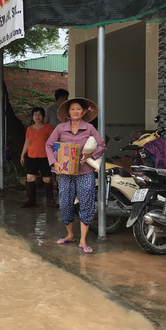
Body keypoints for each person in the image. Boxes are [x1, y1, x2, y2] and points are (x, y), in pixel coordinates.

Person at [45, 98, 106, 254]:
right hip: (65, 173)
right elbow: (49, 145)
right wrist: (54, 163)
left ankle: (83, 240)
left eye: (79, 109)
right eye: (73, 109)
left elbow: (102, 145)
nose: (76, 112)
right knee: (65, 203)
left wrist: (90, 156)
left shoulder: (90, 128)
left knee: (86, 203)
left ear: (84, 111)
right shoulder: (60, 128)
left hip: (85, 172)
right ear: (68, 112)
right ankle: (70, 235)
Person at [19, 107, 56, 208]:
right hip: (31, 157)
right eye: (35, 115)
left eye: (39, 115)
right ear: (32, 117)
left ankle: (50, 200)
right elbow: (27, 142)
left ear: (43, 116)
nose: (37, 117)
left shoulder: (49, 128)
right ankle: (30, 200)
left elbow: (54, 143)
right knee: (30, 178)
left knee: (47, 179)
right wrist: (23, 154)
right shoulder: (30, 129)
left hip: (45, 157)